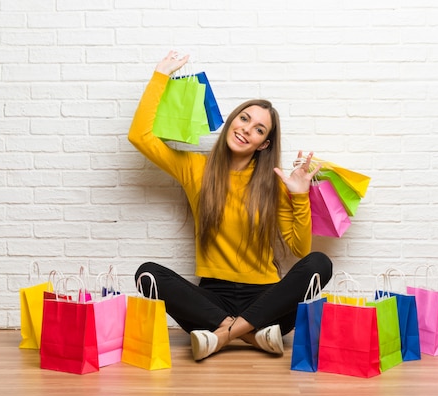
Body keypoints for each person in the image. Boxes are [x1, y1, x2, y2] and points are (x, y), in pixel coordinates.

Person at [127, 51, 333, 361]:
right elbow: (139, 136)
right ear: (232, 120)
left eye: (259, 129)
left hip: (268, 301)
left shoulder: (274, 183)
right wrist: (160, 77)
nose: (247, 129)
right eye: (244, 118)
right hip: (212, 300)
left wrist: (300, 196)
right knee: (148, 274)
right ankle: (251, 336)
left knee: (320, 262)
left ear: (263, 144)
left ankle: (220, 336)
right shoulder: (196, 168)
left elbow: (300, 251)